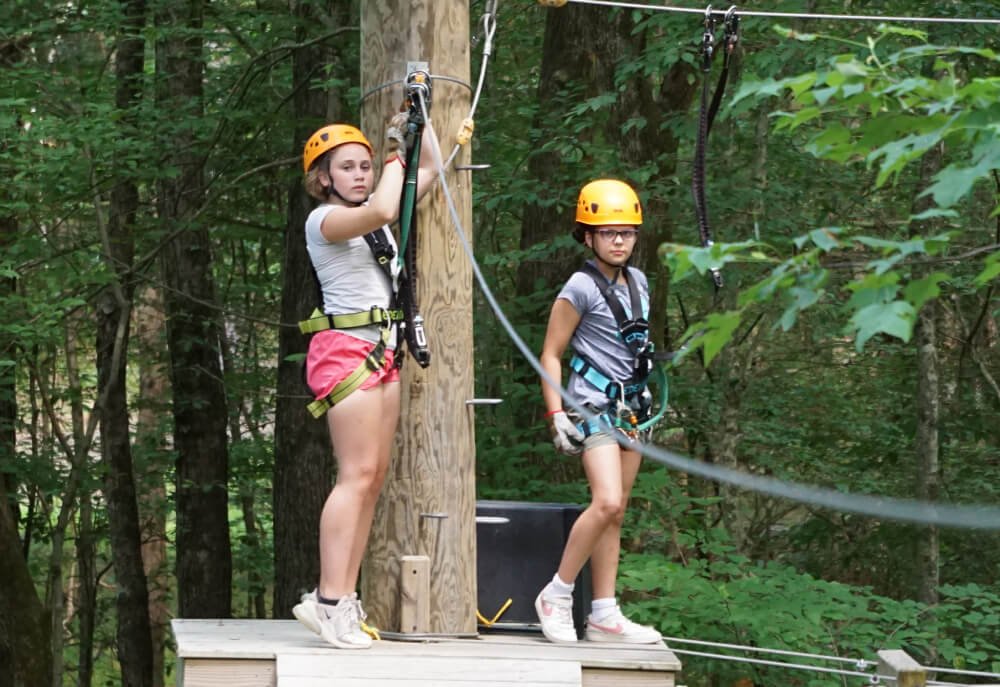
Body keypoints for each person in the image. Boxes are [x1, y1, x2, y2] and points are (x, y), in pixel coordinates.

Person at [291, 111, 438, 649]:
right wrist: (397, 150)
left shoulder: (374, 220)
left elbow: (432, 169)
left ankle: (343, 597)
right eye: (347, 167)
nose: (359, 174)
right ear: (323, 178)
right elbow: (384, 204)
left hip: (384, 350)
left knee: (373, 477)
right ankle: (328, 600)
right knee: (354, 475)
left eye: (365, 166)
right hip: (346, 351)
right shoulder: (325, 221)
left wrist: (423, 117)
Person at [535, 179, 663, 645]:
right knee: (605, 500)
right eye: (608, 233)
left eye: (626, 233)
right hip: (589, 404)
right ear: (587, 237)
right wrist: (556, 415)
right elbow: (551, 353)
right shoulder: (580, 287)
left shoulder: (639, 283)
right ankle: (556, 594)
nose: (619, 241)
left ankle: (604, 614)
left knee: (616, 511)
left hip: (631, 409)